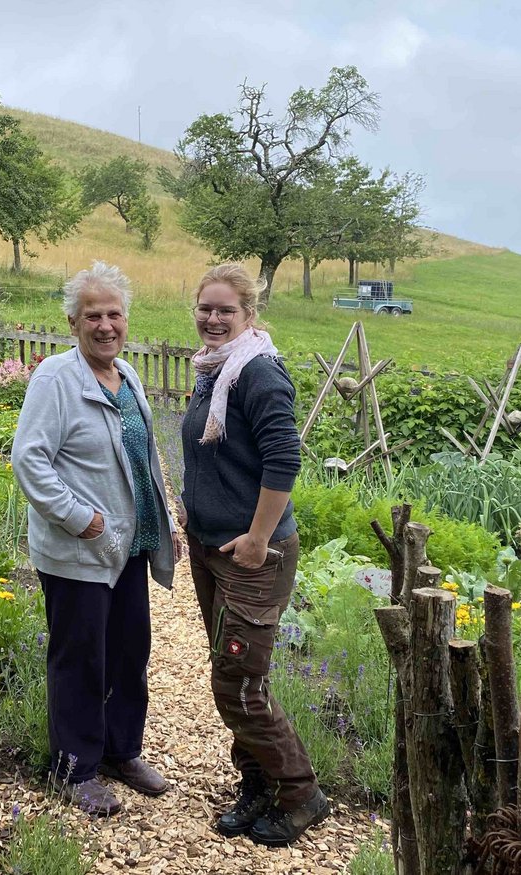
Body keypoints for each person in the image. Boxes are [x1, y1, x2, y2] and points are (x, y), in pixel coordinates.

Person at [11, 261, 182, 817]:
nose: (105, 325)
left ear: (126, 319)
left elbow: (141, 456)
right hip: (78, 549)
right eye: (92, 316)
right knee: (81, 659)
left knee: (130, 654)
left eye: (114, 314)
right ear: (73, 322)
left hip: (126, 546)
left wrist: (163, 516)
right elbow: (29, 460)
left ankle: (120, 752)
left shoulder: (126, 376)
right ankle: (75, 770)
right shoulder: (56, 379)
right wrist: (79, 517)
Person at [181, 263, 328, 846]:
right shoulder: (214, 368)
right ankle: (258, 784)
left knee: (237, 684)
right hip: (213, 547)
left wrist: (258, 538)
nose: (214, 318)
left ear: (249, 314)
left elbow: (284, 459)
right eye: (206, 308)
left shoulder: (258, 373)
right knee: (233, 671)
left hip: (253, 555)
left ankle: (300, 793)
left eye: (226, 310)